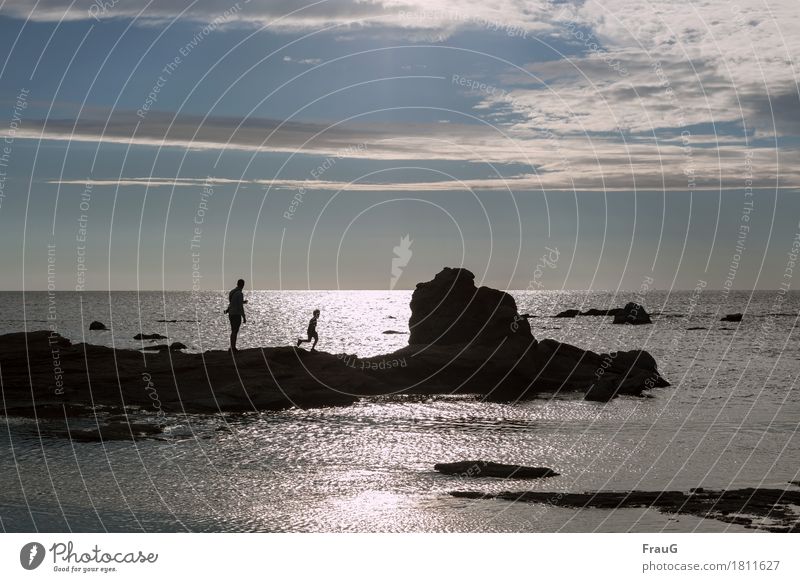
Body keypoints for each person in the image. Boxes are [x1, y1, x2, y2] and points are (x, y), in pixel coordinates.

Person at [224, 279, 247, 352]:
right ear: (243, 285)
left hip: (231, 313)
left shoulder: (232, 292)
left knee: (233, 331)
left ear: (237, 284)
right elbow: (240, 306)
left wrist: (243, 302)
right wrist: (244, 317)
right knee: (235, 331)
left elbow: (233, 303)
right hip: (236, 314)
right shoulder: (240, 294)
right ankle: (233, 348)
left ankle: (232, 347)